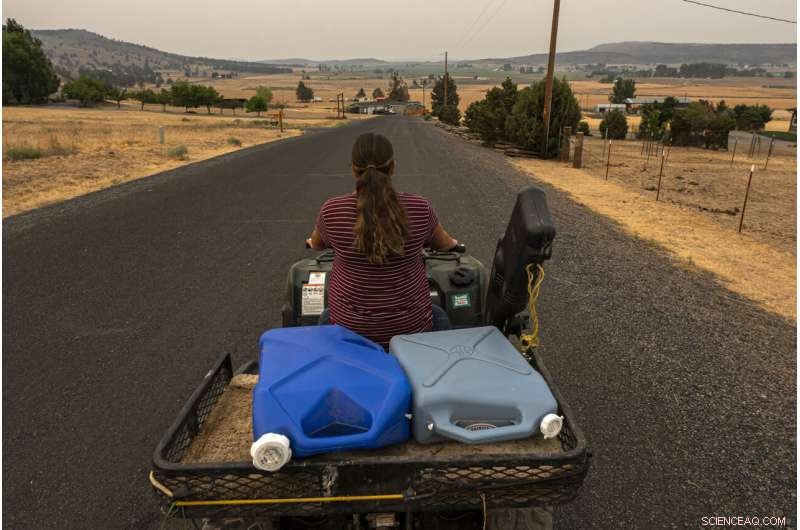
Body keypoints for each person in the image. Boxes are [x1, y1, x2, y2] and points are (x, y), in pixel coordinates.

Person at [307, 132, 458, 349]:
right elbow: (445, 244)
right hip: (411, 328)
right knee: (439, 314)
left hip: (350, 330)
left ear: (353, 168)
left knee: (326, 316)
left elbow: (317, 243)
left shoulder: (332, 211)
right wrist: (453, 243)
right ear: (393, 167)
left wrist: (313, 242)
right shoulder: (419, 208)